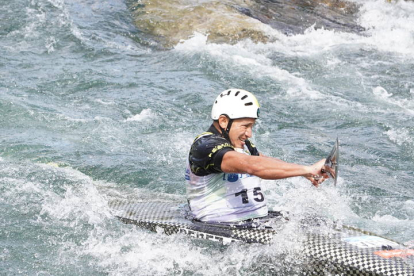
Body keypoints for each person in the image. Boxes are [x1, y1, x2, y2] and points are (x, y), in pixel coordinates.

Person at [185, 89, 330, 223]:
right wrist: (307, 169)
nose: (249, 134)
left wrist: (304, 172)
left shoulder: (242, 144)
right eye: (245, 126)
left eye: (251, 126)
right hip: (219, 225)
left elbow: (263, 161)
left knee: (317, 221)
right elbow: (253, 166)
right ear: (223, 121)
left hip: (253, 221)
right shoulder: (205, 146)